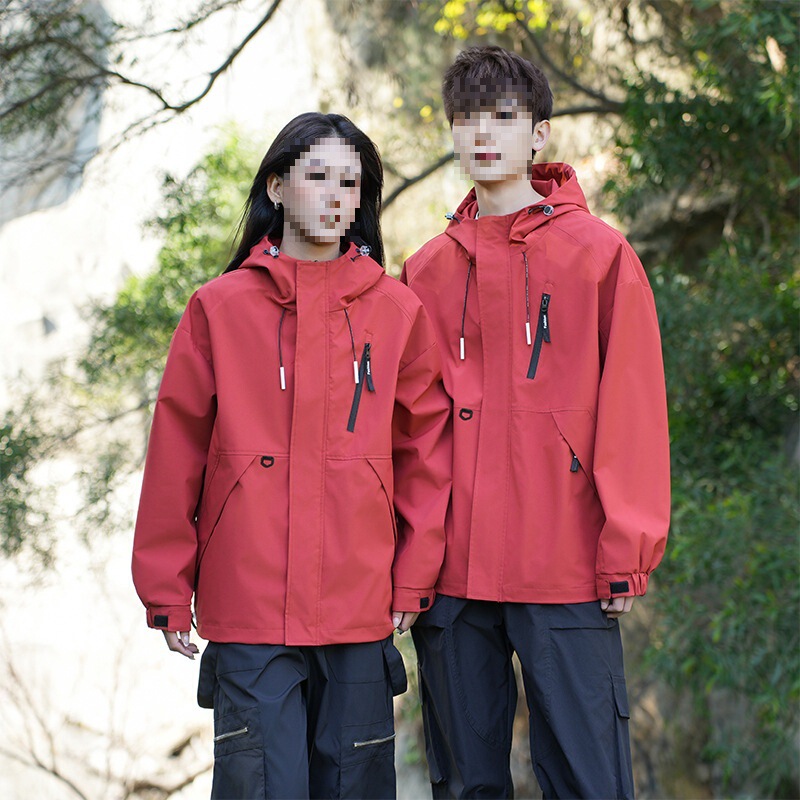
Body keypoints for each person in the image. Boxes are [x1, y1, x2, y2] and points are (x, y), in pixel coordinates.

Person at [131, 112, 452, 800]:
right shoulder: (218, 308)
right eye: (318, 177)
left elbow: (424, 454)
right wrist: (166, 589)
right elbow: (177, 453)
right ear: (277, 187)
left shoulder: (396, 311)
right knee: (259, 787)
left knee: (355, 787)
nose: (336, 195)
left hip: (358, 601)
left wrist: (414, 575)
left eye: (350, 183)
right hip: (249, 605)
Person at [402, 47, 670, 800]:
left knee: (590, 782)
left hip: (567, 564)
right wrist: (408, 559)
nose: (484, 134)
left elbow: (633, 407)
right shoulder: (426, 270)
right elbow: (410, 433)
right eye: (467, 119)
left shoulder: (600, 256)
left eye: (503, 117)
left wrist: (628, 544)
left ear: (538, 134)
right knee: (465, 785)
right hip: (454, 576)